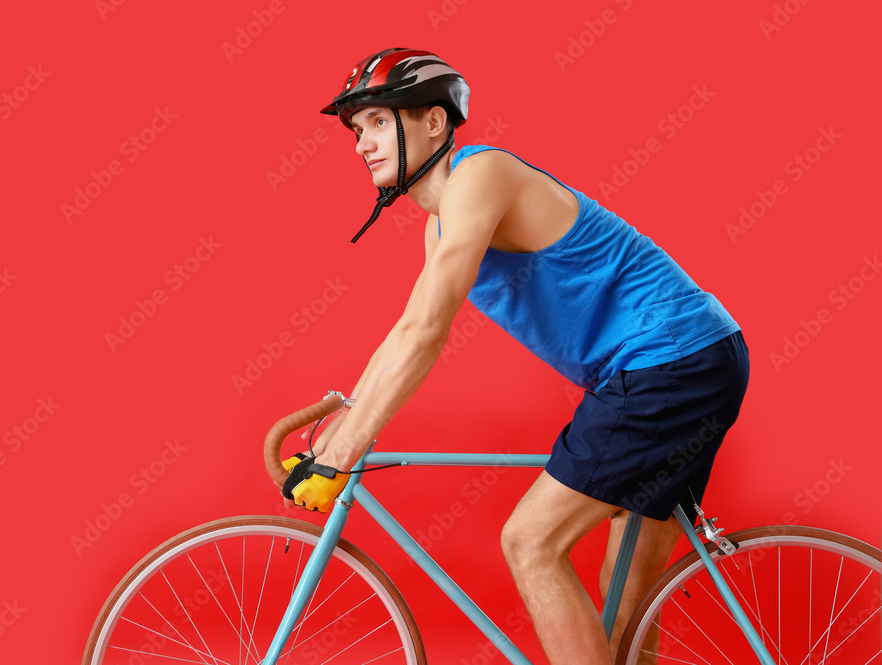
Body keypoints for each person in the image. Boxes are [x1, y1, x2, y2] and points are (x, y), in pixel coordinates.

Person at [278, 48, 750, 664]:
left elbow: (427, 330)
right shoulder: (441, 223)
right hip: (693, 359)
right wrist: (340, 431)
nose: (362, 143)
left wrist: (343, 455)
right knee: (626, 598)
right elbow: (406, 331)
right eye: (356, 130)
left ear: (434, 123)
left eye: (377, 121)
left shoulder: (481, 176)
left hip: (666, 363)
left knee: (531, 544)